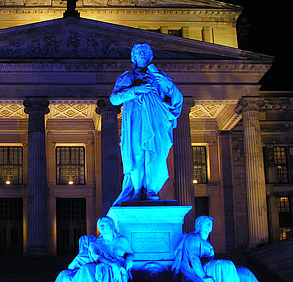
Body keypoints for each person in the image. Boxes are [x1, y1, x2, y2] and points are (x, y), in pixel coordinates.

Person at [110, 43, 183, 203]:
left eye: (145, 52)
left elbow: (176, 97)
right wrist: (136, 90)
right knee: (136, 154)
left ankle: (151, 189)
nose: (142, 54)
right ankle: (137, 191)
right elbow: (114, 99)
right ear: (134, 57)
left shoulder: (159, 77)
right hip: (135, 118)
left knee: (154, 153)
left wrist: (164, 81)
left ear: (150, 56)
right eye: (138, 52)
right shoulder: (126, 78)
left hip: (155, 118)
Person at [172, 215, 259, 282]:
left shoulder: (207, 242)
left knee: (245, 272)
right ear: (200, 225)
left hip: (209, 266)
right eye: (207, 224)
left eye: (211, 224)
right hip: (201, 269)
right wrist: (203, 277)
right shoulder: (194, 238)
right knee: (227, 265)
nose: (210, 227)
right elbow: (194, 258)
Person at [55, 216, 136, 282]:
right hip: (105, 265)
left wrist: (129, 261)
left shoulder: (122, 240)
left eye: (103, 224)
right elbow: (97, 257)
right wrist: (111, 264)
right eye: (99, 225)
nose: (101, 227)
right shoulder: (95, 243)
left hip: (120, 266)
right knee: (87, 269)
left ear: (111, 225)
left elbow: (130, 254)